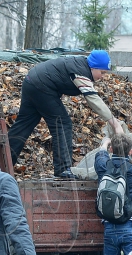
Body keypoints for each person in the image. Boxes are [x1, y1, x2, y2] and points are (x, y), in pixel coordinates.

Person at [8, 50, 125, 180]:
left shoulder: (82, 65)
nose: (102, 76)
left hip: (31, 81)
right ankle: (63, 169)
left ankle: (3, 162)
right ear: (93, 67)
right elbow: (93, 100)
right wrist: (114, 123)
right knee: (62, 124)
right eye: (102, 72)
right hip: (41, 86)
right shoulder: (81, 72)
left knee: (23, 125)